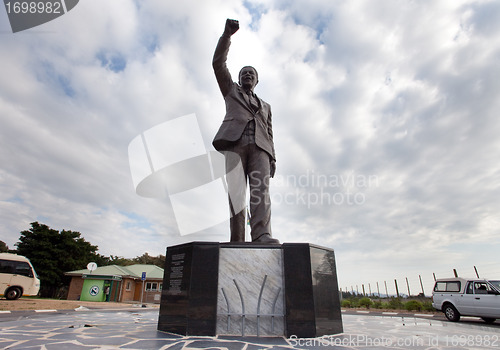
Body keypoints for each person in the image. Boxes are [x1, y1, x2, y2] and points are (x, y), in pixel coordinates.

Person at [212, 19, 279, 244]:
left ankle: (261, 235)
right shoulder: (230, 90)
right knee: (237, 196)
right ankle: (237, 239)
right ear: (239, 79)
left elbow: (270, 133)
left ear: (257, 80)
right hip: (234, 145)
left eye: (251, 73)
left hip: (261, 149)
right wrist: (226, 36)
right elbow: (218, 64)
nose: (248, 75)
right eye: (244, 73)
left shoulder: (266, 106)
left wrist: (273, 158)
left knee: (261, 194)